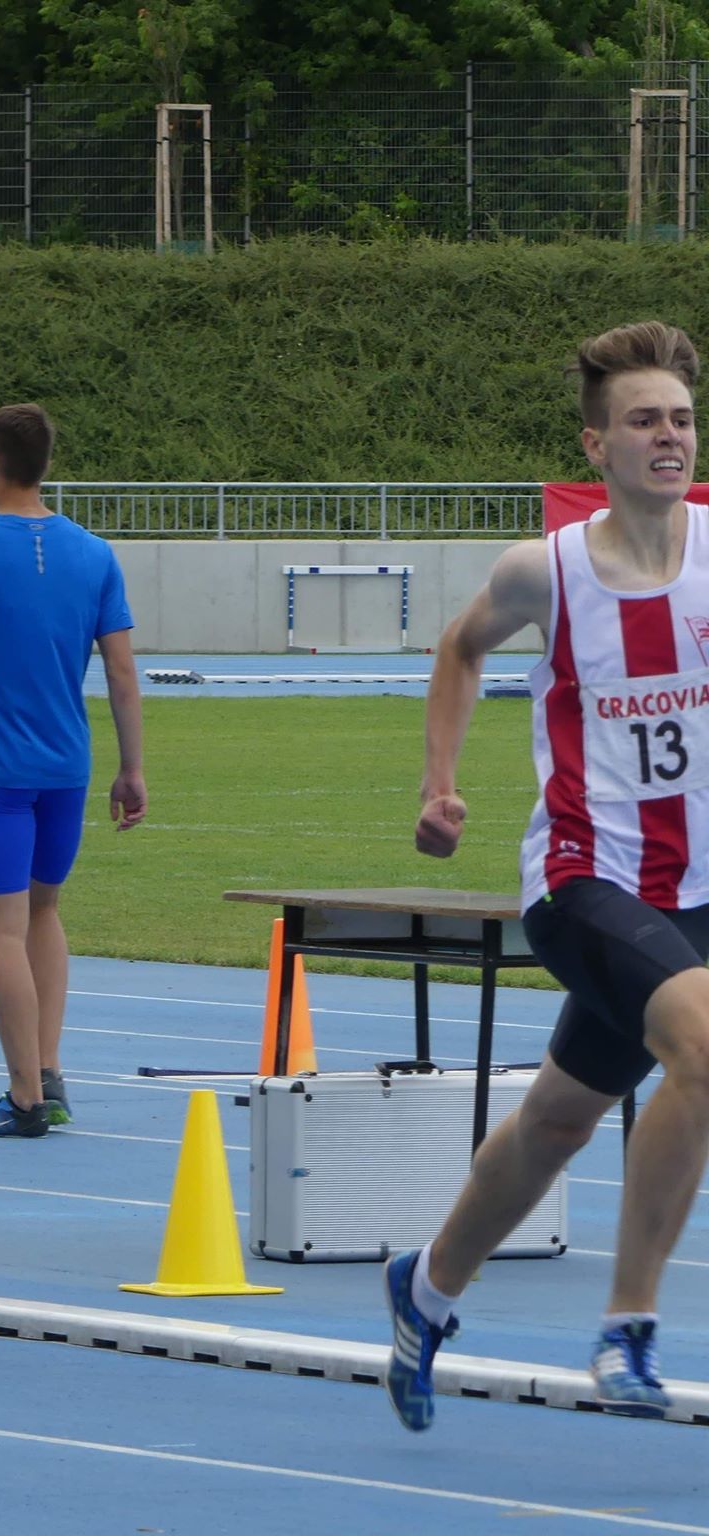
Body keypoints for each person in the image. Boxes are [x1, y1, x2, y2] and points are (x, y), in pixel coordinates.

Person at [389, 319, 709, 1427]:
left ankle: (423, 1289)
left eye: (678, 418)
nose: (666, 437)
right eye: (641, 422)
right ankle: (626, 1328)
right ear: (596, 448)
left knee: (556, 1123)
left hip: (694, 891)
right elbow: (459, 648)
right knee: (704, 1049)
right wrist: (438, 783)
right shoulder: (546, 572)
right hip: (583, 877)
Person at [0, 404, 147, 1138]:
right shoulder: (95, 554)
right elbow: (123, 670)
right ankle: (47, 1071)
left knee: (3, 931)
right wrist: (131, 767)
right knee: (45, 913)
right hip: (66, 768)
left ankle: (23, 1098)